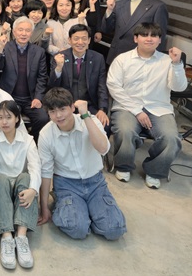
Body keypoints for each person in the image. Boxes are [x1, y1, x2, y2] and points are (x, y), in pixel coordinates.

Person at [38, 88, 126, 241]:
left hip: (95, 183)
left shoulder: (90, 120)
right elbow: (45, 172)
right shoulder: (46, 134)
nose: (58, 115)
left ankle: (88, 212)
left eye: (62, 109)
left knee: (115, 230)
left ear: (73, 107)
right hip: (66, 185)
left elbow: (103, 149)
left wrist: (85, 115)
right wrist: (44, 207)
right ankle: (73, 207)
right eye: (52, 111)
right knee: (77, 229)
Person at [108, 23, 187, 189]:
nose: (149, 39)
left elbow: (179, 87)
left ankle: (155, 170)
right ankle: (124, 166)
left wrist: (177, 64)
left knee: (172, 138)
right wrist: (137, 111)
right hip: (127, 106)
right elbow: (113, 86)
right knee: (125, 130)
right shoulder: (122, 59)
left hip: (159, 108)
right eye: (144, 35)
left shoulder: (167, 61)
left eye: (154, 35)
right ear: (136, 38)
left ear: (160, 40)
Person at [0, 100, 40, 270]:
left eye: (8, 117)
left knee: (27, 178)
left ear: (17, 118)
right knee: (0, 179)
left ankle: (21, 236)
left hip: (18, 183)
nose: (4, 122)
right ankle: (6, 237)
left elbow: (35, 167)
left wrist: (33, 190)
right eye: (0, 117)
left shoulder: (27, 140)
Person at [0, 16, 50, 140]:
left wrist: (38, 97)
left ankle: (32, 142)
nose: (23, 33)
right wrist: (1, 48)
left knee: (43, 118)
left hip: (30, 99)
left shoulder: (39, 51)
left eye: (27, 30)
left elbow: (42, 77)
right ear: (14, 32)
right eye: (20, 30)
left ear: (32, 33)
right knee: (8, 119)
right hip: (10, 97)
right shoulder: (5, 47)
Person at [102, 0, 169, 65]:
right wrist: (109, 10)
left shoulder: (157, 6)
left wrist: (154, 62)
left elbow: (159, 38)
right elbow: (106, 29)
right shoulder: (118, 5)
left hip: (141, 58)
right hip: (117, 55)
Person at [49, 24, 110, 126]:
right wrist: (58, 68)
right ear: (69, 40)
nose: (80, 42)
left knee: (105, 125)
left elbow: (102, 86)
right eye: (76, 38)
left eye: (84, 39)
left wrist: (102, 109)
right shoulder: (59, 57)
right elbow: (52, 86)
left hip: (89, 105)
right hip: (65, 106)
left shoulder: (98, 58)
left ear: (89, 40)